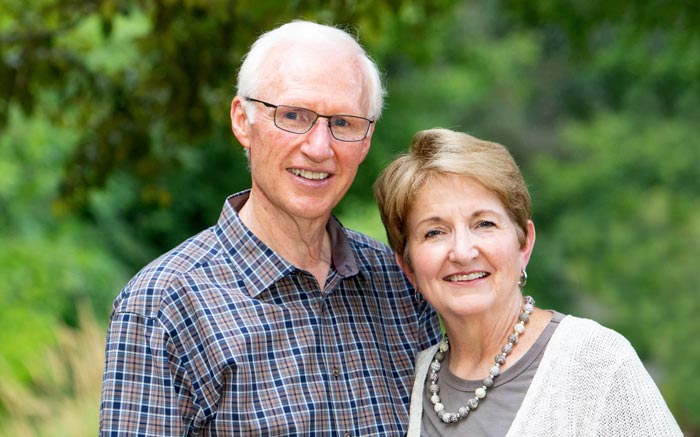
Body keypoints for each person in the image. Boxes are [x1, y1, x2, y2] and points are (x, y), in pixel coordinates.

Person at [99, 21, 441, 435]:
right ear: (243, 121)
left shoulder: (401, 284)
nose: (319, 148)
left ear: (366, 141)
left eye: (343, 123)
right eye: (294, 116)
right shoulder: (162, 307)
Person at [373, 128, 682, 436]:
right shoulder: (411, 381)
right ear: (408, 266)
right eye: (435, 232)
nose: (463, 252)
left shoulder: (597, 362)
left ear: (524, 245)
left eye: (484, 224)